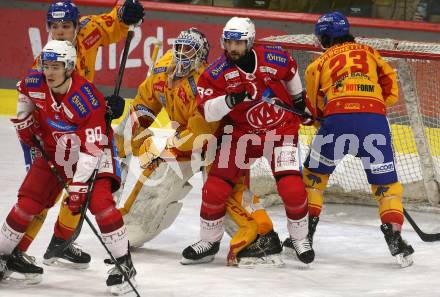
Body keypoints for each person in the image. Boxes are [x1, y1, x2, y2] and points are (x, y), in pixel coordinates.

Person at [114, 28, 283, 267]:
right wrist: (138, 135)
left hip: (223, 139)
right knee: (159, 176)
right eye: (179, 48)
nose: (181, 55)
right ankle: (131, 229)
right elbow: (144, 102)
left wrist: (164, 145)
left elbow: (200, 133)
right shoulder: (164, 69)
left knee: (224, 194)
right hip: (189, 136)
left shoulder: (207, 80)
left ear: (201, 55)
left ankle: (262, 238)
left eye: (189, 50)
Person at [13, 0, 144, 276]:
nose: (60, 32)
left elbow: (116, 23)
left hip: (78, 129)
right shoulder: (45, 62)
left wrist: (126, 11)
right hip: (48, 133)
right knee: (39, 197)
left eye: (66, 26)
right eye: (54, 27)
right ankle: (16, 251)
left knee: (80, 190)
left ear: (76, 25)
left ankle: (61, 241)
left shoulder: (89, 31)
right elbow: (32, 98)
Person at [283, 11, 414, 268]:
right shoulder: (371, 52)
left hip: (337, 122)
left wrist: (324, 115)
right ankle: (395, 237)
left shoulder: (317, 64)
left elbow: (315, 104)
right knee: (386, 186)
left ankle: (305, 235)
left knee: (313, 178)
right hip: (374, 122)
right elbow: (390, 87)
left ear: (323, 37)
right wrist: (372, 106)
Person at [181, 17, 315, 265]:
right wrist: (229, 101)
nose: (233, 48)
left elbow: (291, 69)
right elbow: (207, 111)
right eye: (229, 42)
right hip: (242, 134)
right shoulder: (216, 72)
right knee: (215, 187)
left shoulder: (273, 56)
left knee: (292, 188)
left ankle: (299, 238)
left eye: (239, 43)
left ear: (250, 42)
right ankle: (209, 241)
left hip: (280, 131)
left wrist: (298, 99)